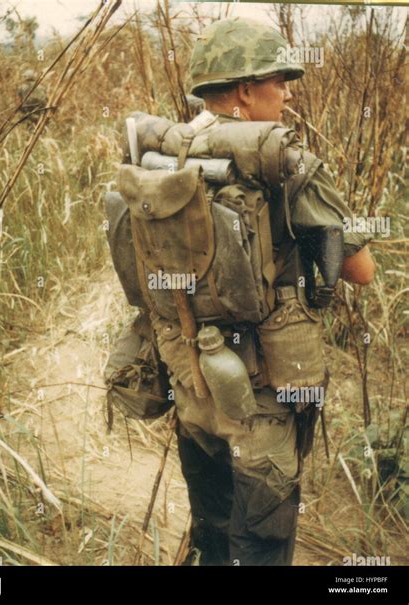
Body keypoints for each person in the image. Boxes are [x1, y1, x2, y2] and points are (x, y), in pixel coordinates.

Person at [166, 18, 375, 566]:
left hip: (193, 386)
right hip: (262, 397)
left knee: (211, 527)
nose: (287, 94)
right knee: (261, 543)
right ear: (243, 90)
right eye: (278, 80)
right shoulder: (288, 163)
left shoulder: (165, 154)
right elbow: (362, 270)